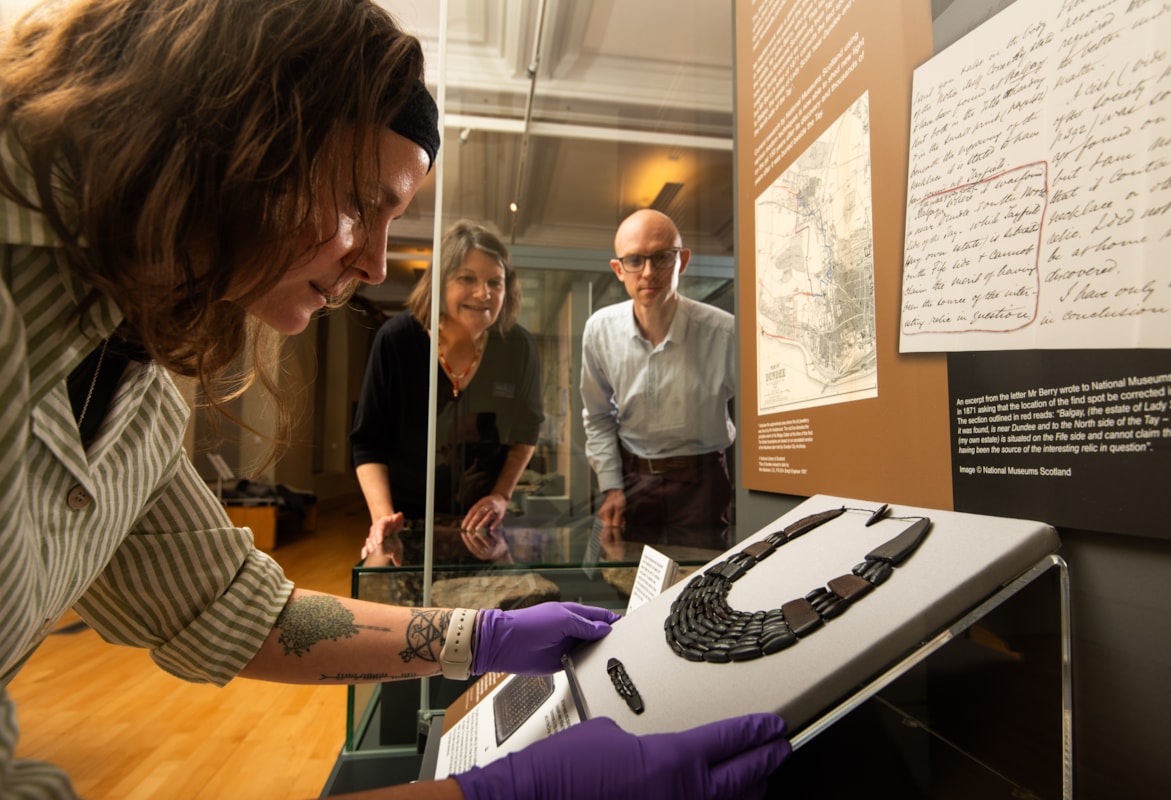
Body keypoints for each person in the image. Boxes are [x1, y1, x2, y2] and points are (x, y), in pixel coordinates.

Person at [0, 1, 790, 798]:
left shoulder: (132, 388)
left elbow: (231, 605)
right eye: (358, 203)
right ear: (236, 139)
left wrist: (479, 636)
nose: (375, 264)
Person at [352, 220, 541, 567]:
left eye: (494, 282)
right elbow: (368, 443)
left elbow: (527, 432)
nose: (483, 293)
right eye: (467, 278)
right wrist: (384, 520)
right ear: (440, 282)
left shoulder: (518, 347)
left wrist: (501, 495)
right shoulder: (396, 340)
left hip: (483, 527)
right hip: (406, 523)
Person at [580, 209, 738, 551]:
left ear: (682, 261)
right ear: (618, 269)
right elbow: (597, 416)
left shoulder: (725, 333)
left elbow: (761, 421)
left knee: (702, 587)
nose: (649, 272)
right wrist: (611, 486)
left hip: (703, 483)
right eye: (635, 260)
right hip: (634, 480)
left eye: (662, 258)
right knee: (632, 586)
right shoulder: (599, 331)